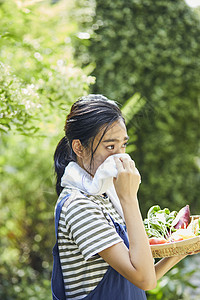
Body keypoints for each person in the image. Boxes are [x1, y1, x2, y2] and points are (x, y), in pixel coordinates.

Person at [53, 94, 187, 300]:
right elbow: (145, 279)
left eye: (123, 145)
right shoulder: (78, 205)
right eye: (110, 147)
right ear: (79, 147)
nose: (120, 156)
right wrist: (129, 199)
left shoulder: (106, 196)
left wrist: (183, 248)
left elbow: (142, 276)